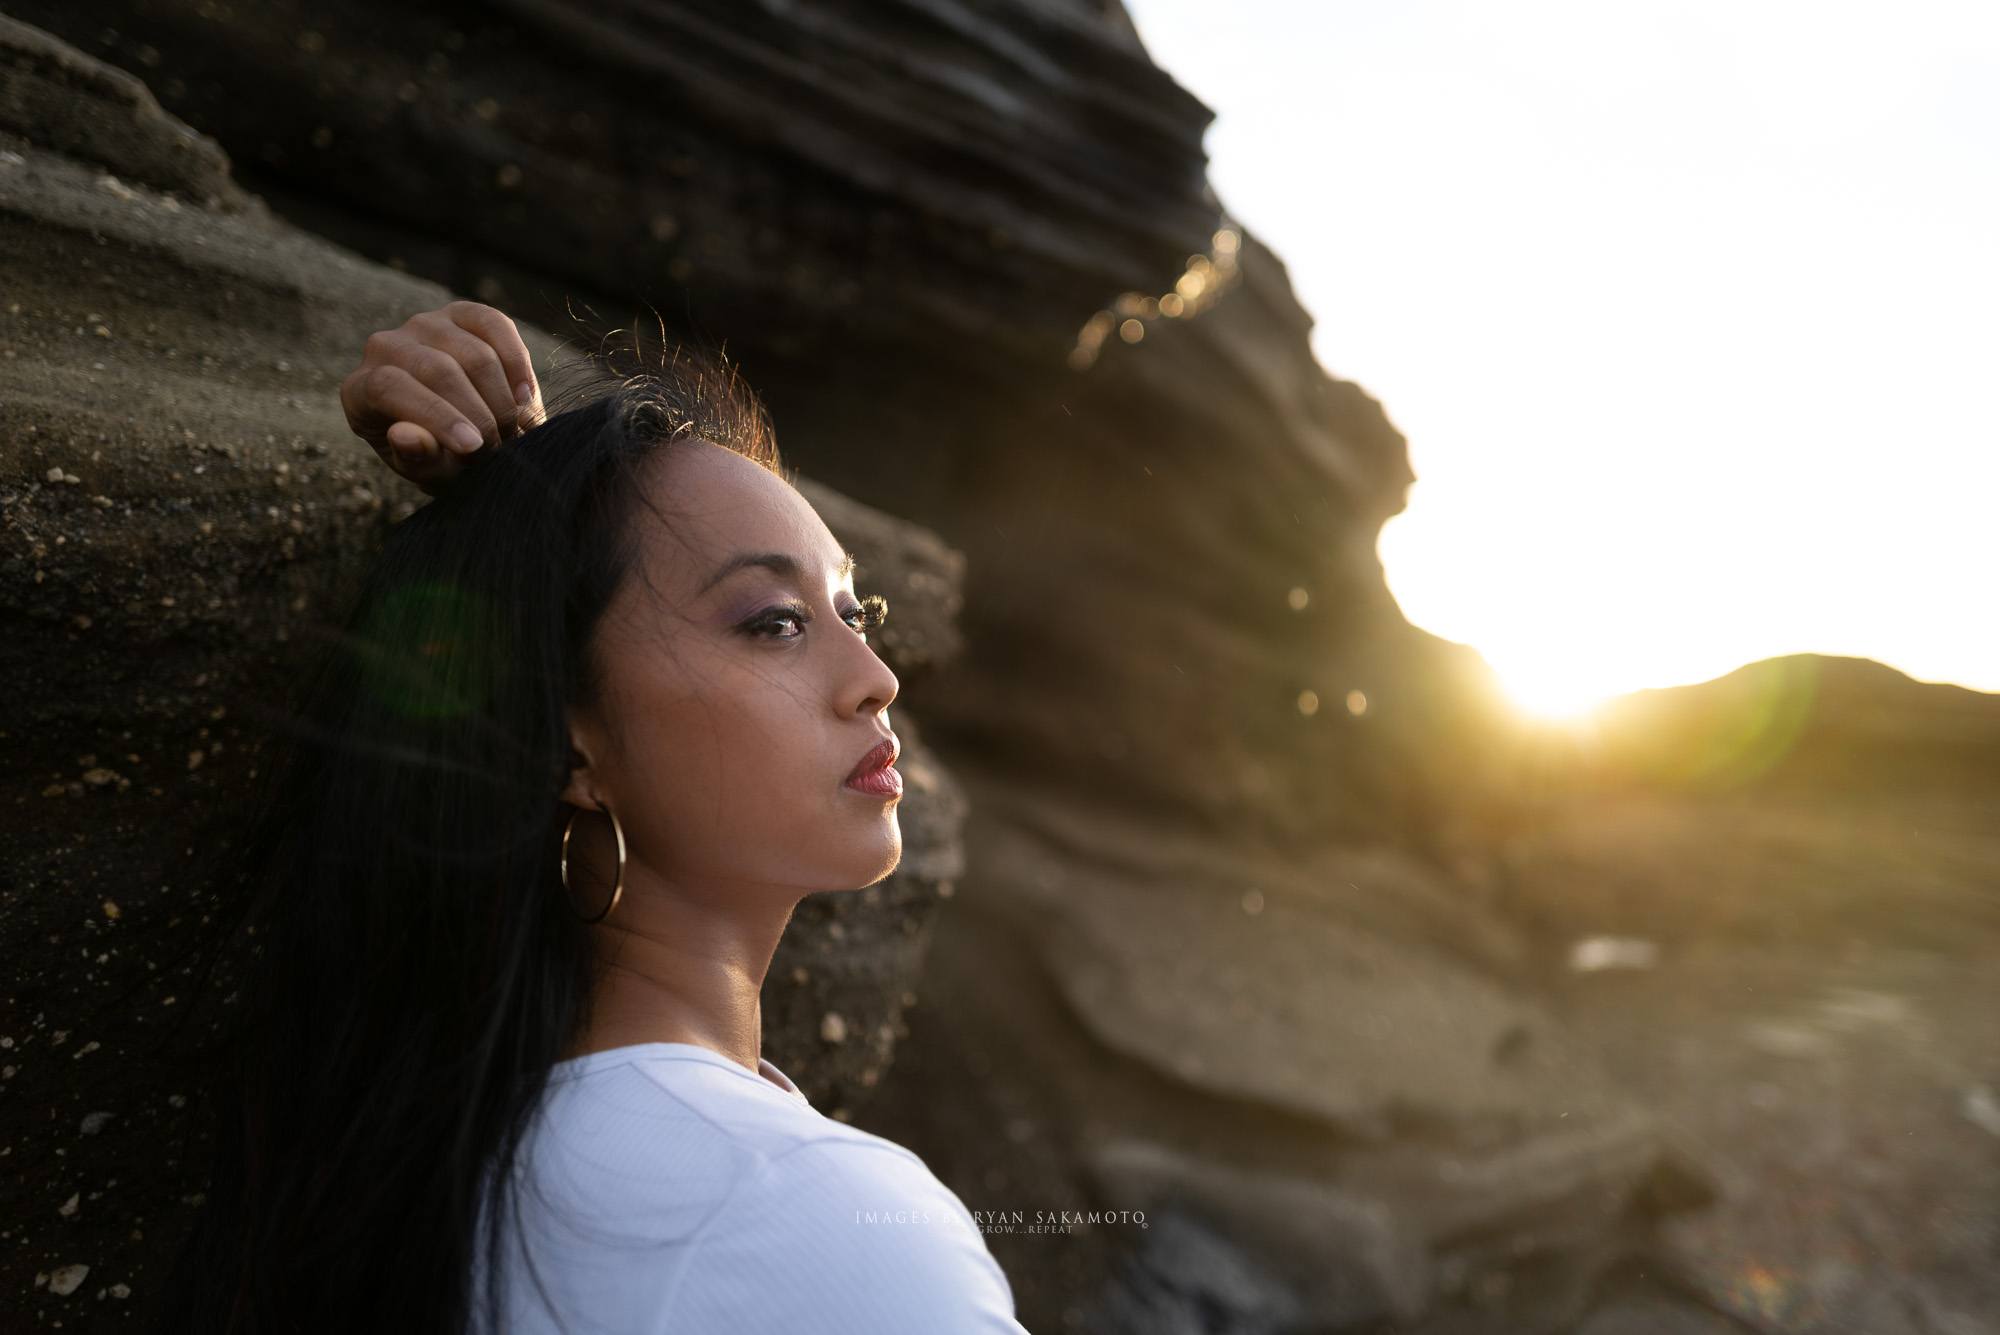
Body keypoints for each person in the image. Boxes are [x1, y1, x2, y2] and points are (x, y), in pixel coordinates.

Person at [151, 302, 1031, 1333]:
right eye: (774, 623)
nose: (874, 678)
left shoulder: (433, 1173)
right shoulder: (803, 1211)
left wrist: (532, 512)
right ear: (570, 743)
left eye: (852, 613)